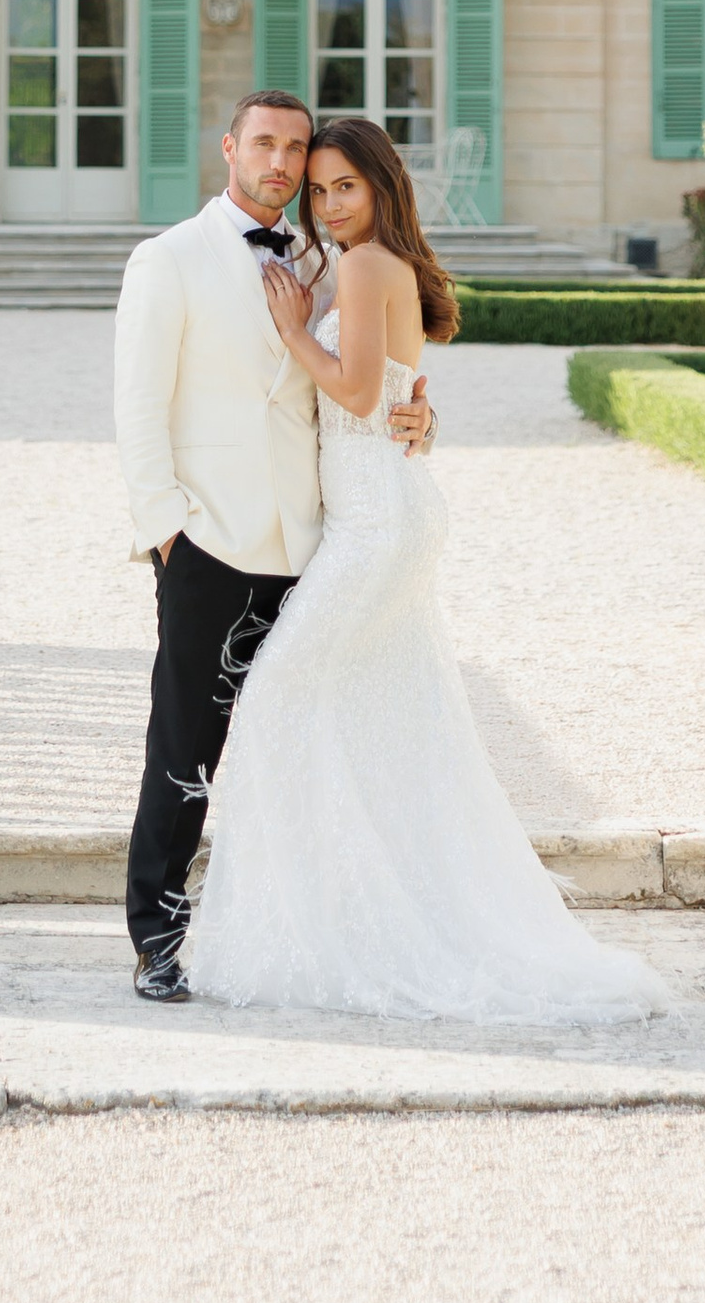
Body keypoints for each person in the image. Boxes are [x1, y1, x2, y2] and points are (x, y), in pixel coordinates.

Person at [179, 115, 667, 1024]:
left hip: (376, 528)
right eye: (318, 190)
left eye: (343, 188)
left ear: (382, 188)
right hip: (380, 512)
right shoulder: (361, 263)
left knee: (283, 693)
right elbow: (390, 394)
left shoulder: (362, 266)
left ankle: (333, 929)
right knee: (381, 726)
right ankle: (370, 917)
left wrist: (294, 330)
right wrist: (412, 412)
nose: (326, 203)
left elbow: (361, 392)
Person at [112, 85, 436, 1001]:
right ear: (229, 148)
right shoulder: (168, 259)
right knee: (185, 744)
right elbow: (138, 409)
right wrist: (165, 535)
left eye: (297, 150)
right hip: (210, 540)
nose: (284, 166)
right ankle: (159, 936)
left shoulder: (324, 260)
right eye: (266, 144)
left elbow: (367, 373)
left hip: (315, 544)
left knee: (303, 740)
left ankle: (290, 926)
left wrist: (419, 415)